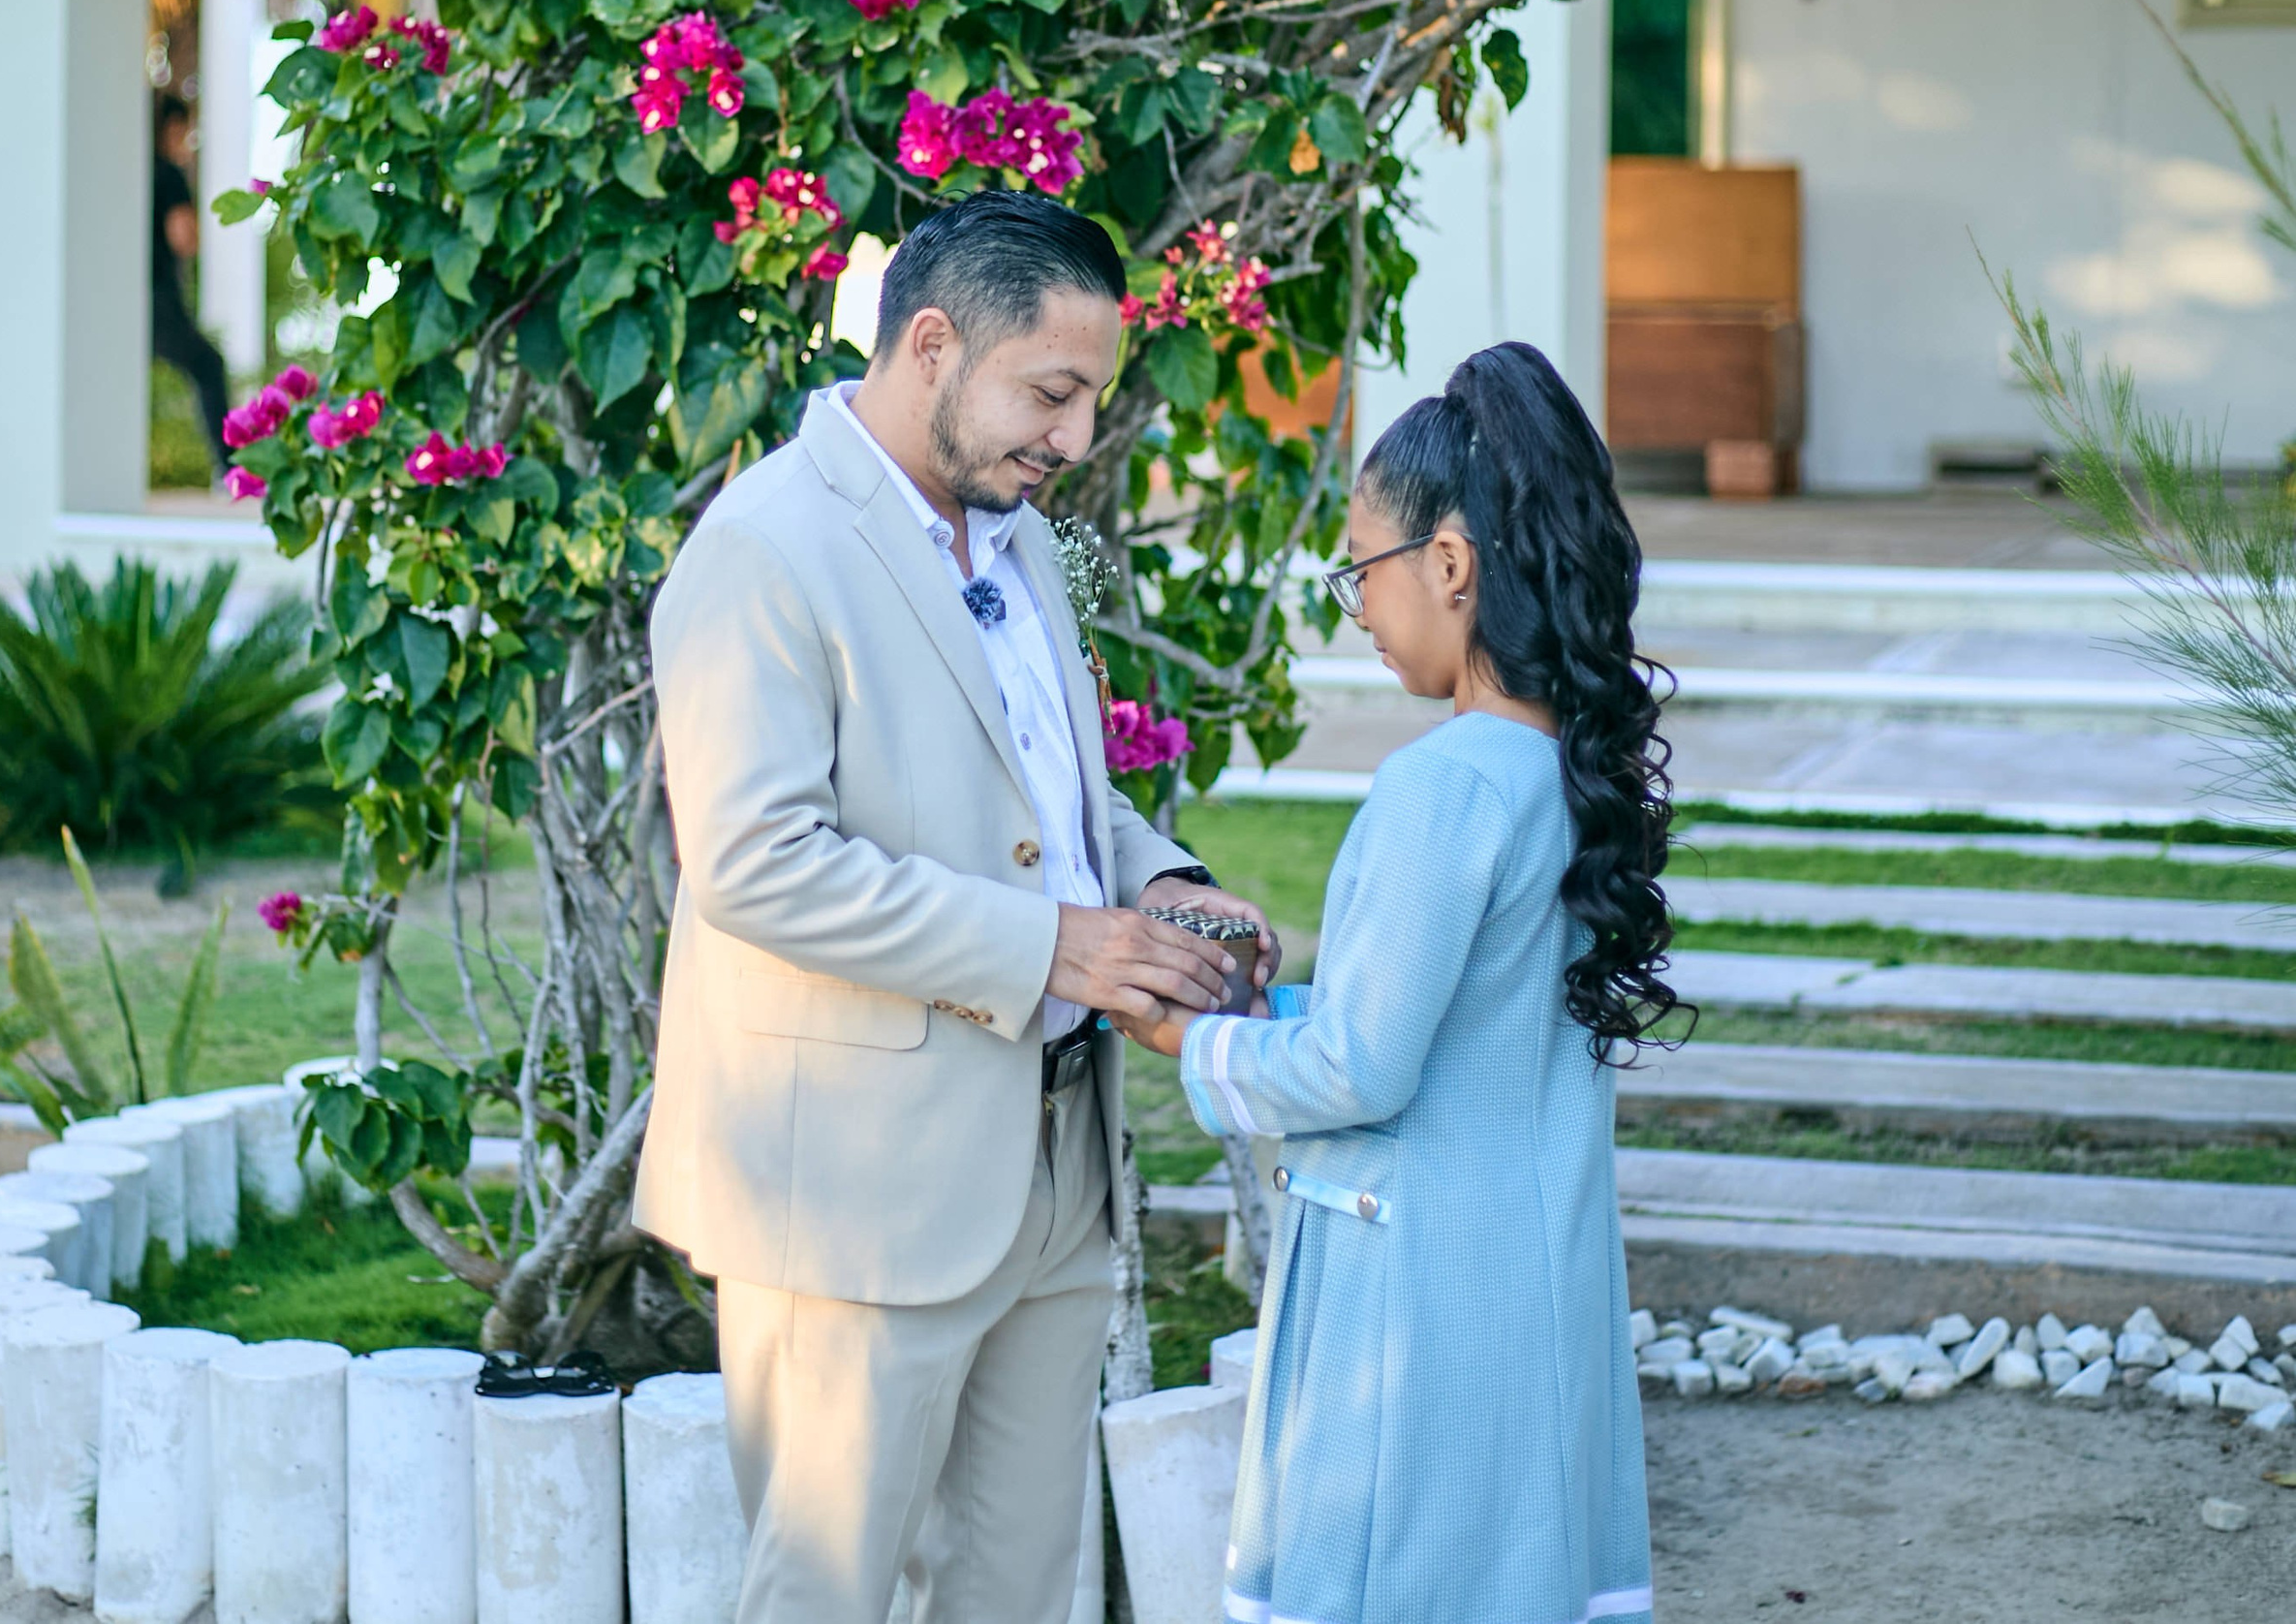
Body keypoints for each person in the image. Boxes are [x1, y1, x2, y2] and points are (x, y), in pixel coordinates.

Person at [636, 189, 1281, 1624]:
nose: (1075, 439)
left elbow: (1052, 803)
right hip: (854, 1188)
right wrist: (1059, 945)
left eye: (1090, 401)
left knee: (1015, 1591)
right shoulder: (765, 549)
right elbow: (755, 863)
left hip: (1057, 1163)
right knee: (825, 1593)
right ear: (931, 344)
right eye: (1051, 394)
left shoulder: (1021, 537)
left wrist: (1164, 885)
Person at [1136, 341, 1679, 1624]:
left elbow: (1363, 1069)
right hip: (1528, 1283)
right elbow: (1455, 1030)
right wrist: (1268, 1012)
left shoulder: (1440, 785)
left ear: (1448, 564)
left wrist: (1183, 1040)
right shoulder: (1568, 779)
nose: (1356, 609)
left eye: (1359, 571)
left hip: (1418, 1300)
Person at [151, 95, 233, 477]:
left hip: (118, 299)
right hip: (158, 297)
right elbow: (183, 237)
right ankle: (229, 467)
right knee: (208, 364)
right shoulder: (167, 174)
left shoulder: (126, 174)